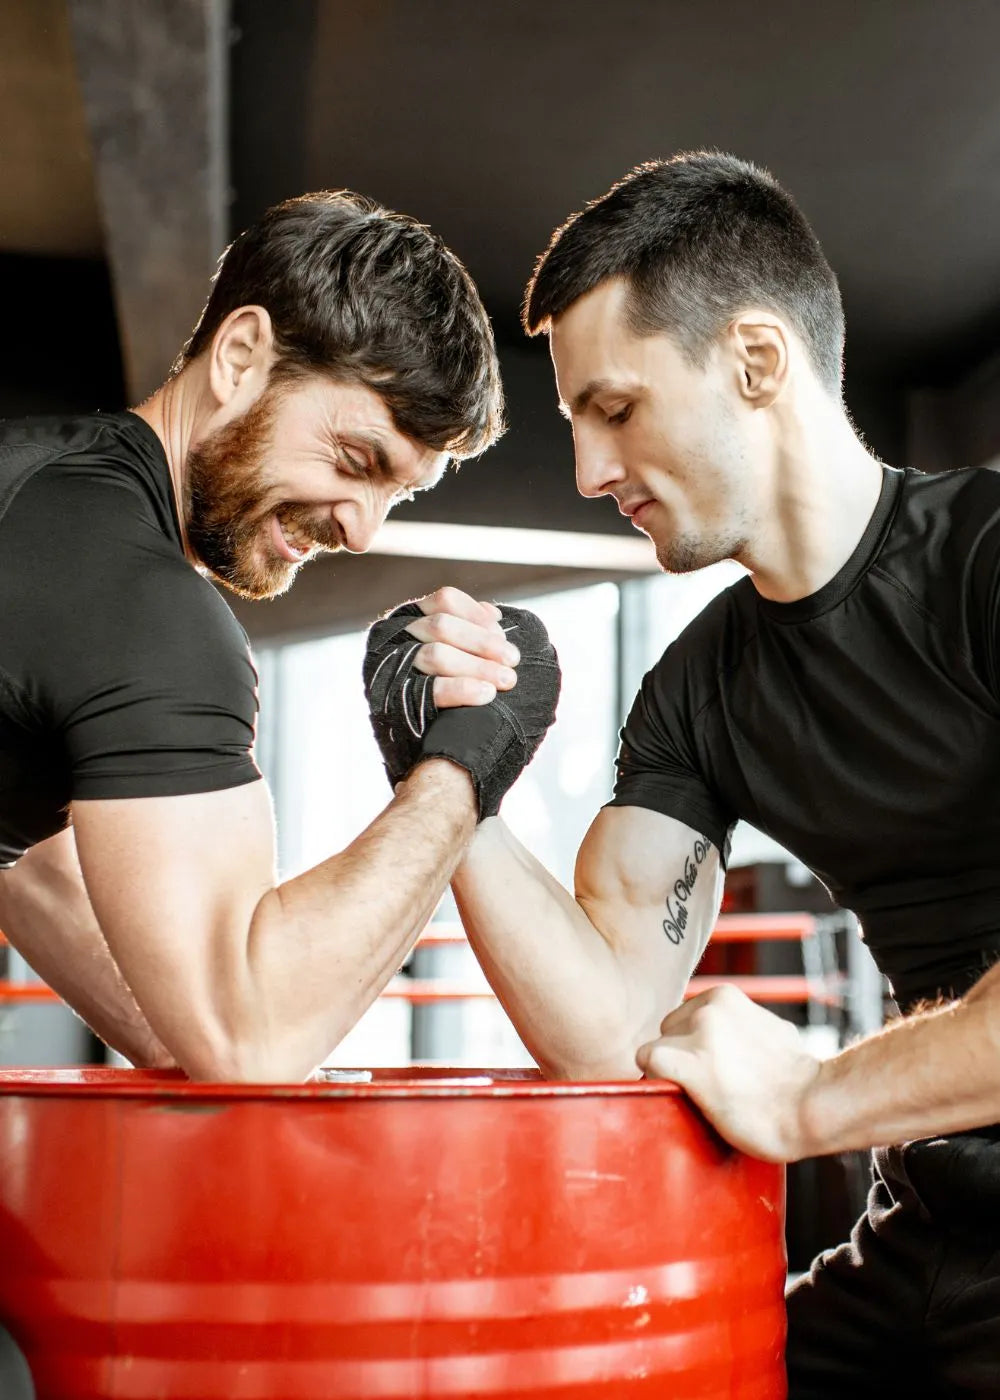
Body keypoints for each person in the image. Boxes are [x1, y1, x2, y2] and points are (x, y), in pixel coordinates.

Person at [364, 153, 1000, 1394]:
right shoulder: (700, 689)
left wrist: (814, 1100)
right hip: (923, 1237)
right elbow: (606, 1021)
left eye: (616, 408)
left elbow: (803, 1097)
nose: (592, 473)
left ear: (755, 362)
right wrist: (455, 786)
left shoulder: (983, 563)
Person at [0, 188, 557, 1084]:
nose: (364, 529)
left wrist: (181, 1028)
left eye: (399, 494)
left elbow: (26, 871)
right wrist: (460, 774)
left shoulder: (39, 498)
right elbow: (249, 1038)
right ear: (241, 355)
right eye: (355, 460)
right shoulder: (139, 608)